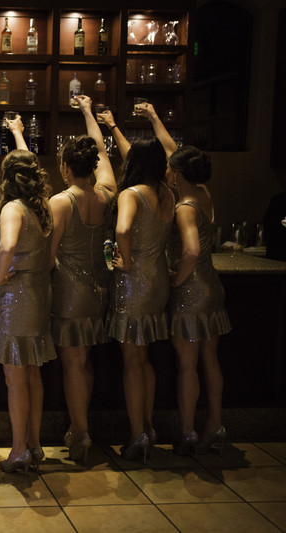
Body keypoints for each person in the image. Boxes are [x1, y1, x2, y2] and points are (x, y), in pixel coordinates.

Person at [140, 106, 232, 455]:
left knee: (186, 365)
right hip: (213, 288)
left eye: (170, 169)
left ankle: (189, 431)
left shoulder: (184, 208)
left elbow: (190, 251)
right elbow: (173, 151)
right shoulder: (204, 193)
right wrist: (154, 119)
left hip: (191, 291)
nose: (167, 171)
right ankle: (216, 425)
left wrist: (177, 280)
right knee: (211, 361)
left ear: (177, 175)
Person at [48, 95, 117, 463]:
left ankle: (81, 433)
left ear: (64, 167)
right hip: (98, 288)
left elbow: (49, 254)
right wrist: (90, 114)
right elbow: (104, 154)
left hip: (69, 291)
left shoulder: (61, 201)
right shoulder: (105, 195)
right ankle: (80, 426)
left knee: (72, 363)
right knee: (85, 361)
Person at [0, 116, 56, 474]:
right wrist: (19, 135)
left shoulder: (13, 208)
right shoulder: (40, 205)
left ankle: (17, 450)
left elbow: (7, 245)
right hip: (38, 295)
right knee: (32, 374)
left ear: (7, 177)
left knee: (15, 377)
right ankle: (35, 443)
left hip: (16, 299)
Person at [104, 106, 174, 464]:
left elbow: (122, 229)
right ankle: (149, 426)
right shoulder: (167, 193)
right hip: (159, 278)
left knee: (132, 361)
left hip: (135, 281)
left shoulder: (132, 194)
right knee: (145, 359)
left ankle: (137, 436)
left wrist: (126, 260)